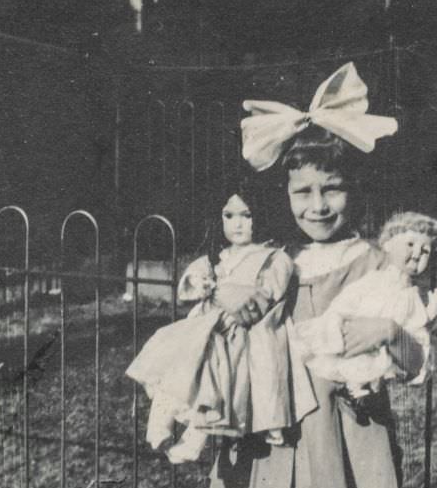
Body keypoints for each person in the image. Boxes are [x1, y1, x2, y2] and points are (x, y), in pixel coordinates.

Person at [192, 63, 425, 488]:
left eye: (332, 189)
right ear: (284, 195)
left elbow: (415, 355)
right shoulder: (272, 259)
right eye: (303, 191)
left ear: (357, 190)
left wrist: (390, 332)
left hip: (343, 437)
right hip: (273, 431)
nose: (318, 205)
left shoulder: (377, 263)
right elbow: (227, 320)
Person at [126, 185, 309, 463]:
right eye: (229, 215)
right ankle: (160, 420)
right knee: (174, 363)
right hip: (203, 329)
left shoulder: (274, 257)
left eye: (246, 215)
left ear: (262, 216)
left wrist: (231, 298)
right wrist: (200, 284)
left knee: (211, 380)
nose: (237, 224)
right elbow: (190, 285)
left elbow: (264, 296)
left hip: (237, 332)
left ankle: (194, 438)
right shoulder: (217, 258)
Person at [294, 210, 437, 399]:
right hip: (355, 334)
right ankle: (354, 389)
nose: (416, 254)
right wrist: (340, 318)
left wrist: (430, 313)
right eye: (410, 244)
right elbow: (351, 297)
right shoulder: (376, 280)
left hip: (382, 348)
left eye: (425, 251)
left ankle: (359, 391)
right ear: (388, 245)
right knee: (348, 357)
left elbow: (415, 328)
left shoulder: (412, 295)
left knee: (373, 366)